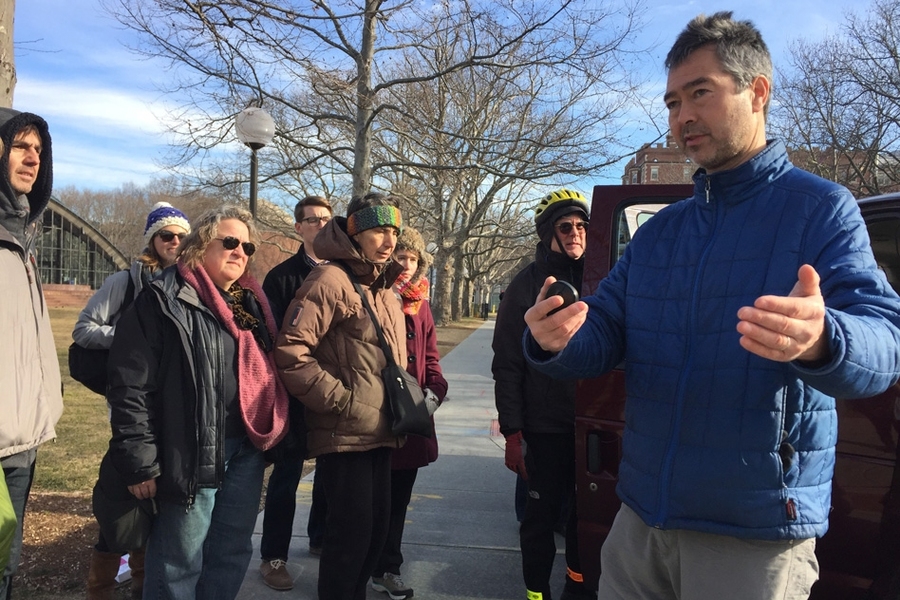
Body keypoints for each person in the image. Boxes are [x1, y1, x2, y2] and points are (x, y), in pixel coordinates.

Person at [523, 12, 900, 600]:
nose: (682, 117)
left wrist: (825, 337)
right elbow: (608, 331)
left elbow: (884, 341)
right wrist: (558, 339)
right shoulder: (660, 232)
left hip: (751, 533)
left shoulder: (822, 209)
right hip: (641, 520)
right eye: (673, 102)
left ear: (758, 92)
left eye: (700, 93)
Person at [106, 205, 289, 600]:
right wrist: (140, 461)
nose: (240, 251)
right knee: (178, 562)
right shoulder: (163, 298)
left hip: (246, 450)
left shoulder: (251, 305)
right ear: (200, 245)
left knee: (231, 551)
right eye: (230, 242)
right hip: (189, 453)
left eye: (247, 246)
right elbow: (129, 386)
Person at [275, 192, 406, 600]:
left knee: (374, 536)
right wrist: (343, 401)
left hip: (383, 430)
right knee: (348, 541)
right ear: (354, 233)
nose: (388, 240)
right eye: (378, 230)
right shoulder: (330, 280)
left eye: (393, 231)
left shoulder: (384, 287)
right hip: (345, 433)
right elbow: (291, 353)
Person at [75, 201, 191, 600]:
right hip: (133, 403)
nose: (174, 242)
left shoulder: (193, 281)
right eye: (166, 235)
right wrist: (128, 337)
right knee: (124, 496)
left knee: (161, 503)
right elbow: (83, 330)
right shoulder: (126, 281)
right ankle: (101, 588)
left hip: (176, 407)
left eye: (181, 236)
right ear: (152, 240)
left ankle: (145, 583)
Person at [492, 189, 594, 600]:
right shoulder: (525, 285)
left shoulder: (601, 276)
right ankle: (537, 592)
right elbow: (507, 363)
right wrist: (514, 432)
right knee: (540, 518)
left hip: (591, 424)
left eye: (582, 226)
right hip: (544, 426)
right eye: (565, 226)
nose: (576, 233)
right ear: (547, 232)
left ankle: (577, 586)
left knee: (584, 518)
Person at [0, 108, 63, 600]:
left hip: (22, 440)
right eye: (21, 145)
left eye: (39, 150)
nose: (32, 158)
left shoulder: (23, 239)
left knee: (5, 565)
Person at [258, 194, 333, 590]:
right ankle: (273, 556)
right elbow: (272, 340)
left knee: (330, 472)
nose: (319, 225)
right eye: (311, 220)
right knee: (287, 477)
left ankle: (320, 537)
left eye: (325, 219)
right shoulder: (282, 278)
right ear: (298, 227)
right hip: (293, 391)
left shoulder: (346, 273)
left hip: (334, 390)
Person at [370, 226, 448, 600]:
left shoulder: (421, 303)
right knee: (371, 499)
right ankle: (363, 565)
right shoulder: (373, 295)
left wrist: (433, 394)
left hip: (413, 416)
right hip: (377, 415)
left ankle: (388, 568)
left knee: (399, 500)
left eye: (412, 258)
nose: (405, 263)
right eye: (400, 255)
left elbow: (431, 359)